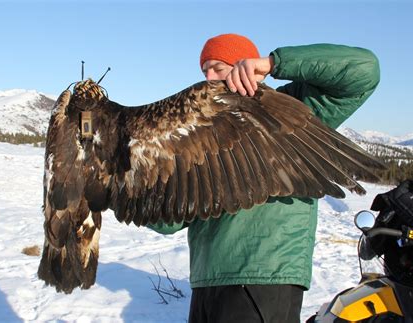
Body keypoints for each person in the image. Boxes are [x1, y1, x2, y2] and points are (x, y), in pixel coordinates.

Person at [149, 33, 380, 323]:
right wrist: (122, 190)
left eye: (218, 68)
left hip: (265, 274)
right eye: (204, 69)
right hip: (208, 279)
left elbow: (364, 71)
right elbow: (170, 219)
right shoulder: (201, 135)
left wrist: (274, 63)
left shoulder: (289, 107)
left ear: (244, 67)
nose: (208, 77)